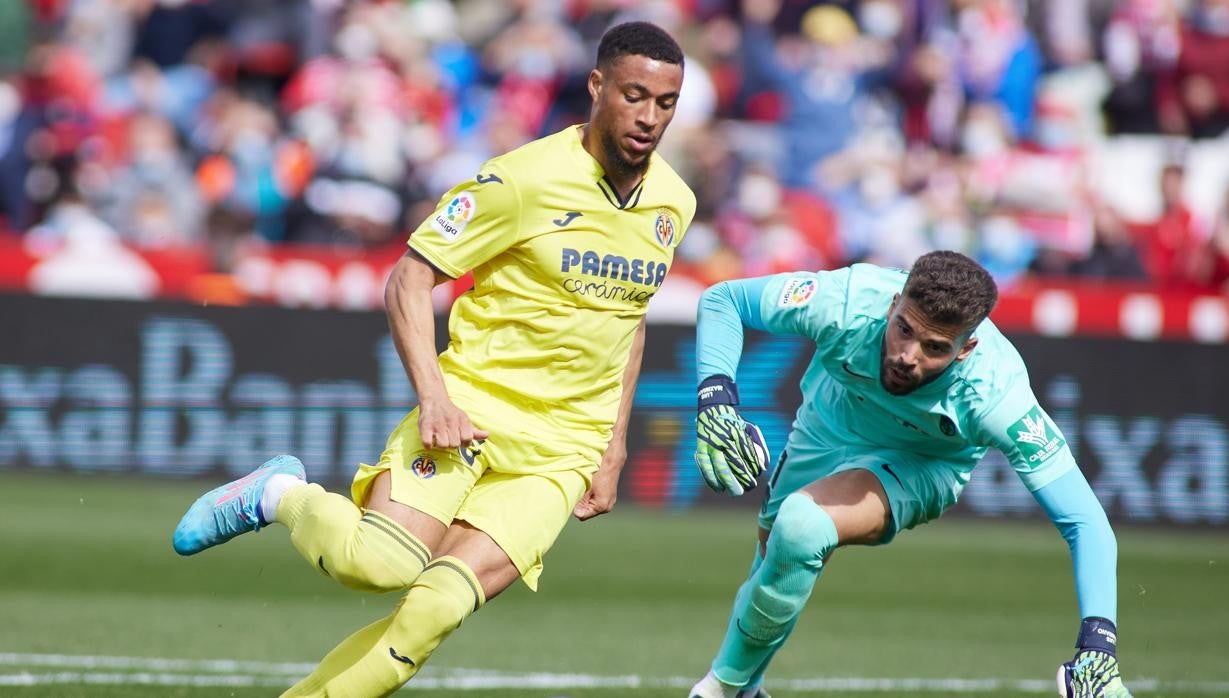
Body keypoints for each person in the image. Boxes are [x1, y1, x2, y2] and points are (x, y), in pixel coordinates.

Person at [171, 21, 693, 697]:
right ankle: (278, 494)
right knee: (376, 563)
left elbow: (630, 319)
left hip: (565, 448)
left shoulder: (673, 204)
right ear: (597, 87)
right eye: (634, 95)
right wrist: (437, 397)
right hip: (474, 409)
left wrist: (613, 444)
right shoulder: (521, 180)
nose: (649, 118)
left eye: (665, 103)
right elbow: (409, 279)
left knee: (434, 612)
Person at [687, 251, 1133, 698]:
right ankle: (746, 689)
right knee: (774, 559)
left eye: (935, 348)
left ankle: (718, 689)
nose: (907, 356)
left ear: (967, 349)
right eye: (904, 329)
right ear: (893, 304)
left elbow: (1085, 521)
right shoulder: (847, 299)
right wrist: (716, 399)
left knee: (801, 529)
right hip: (827, 423)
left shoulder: (997, 392)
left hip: (922, 461)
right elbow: (724, 300)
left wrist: (1099, 641)